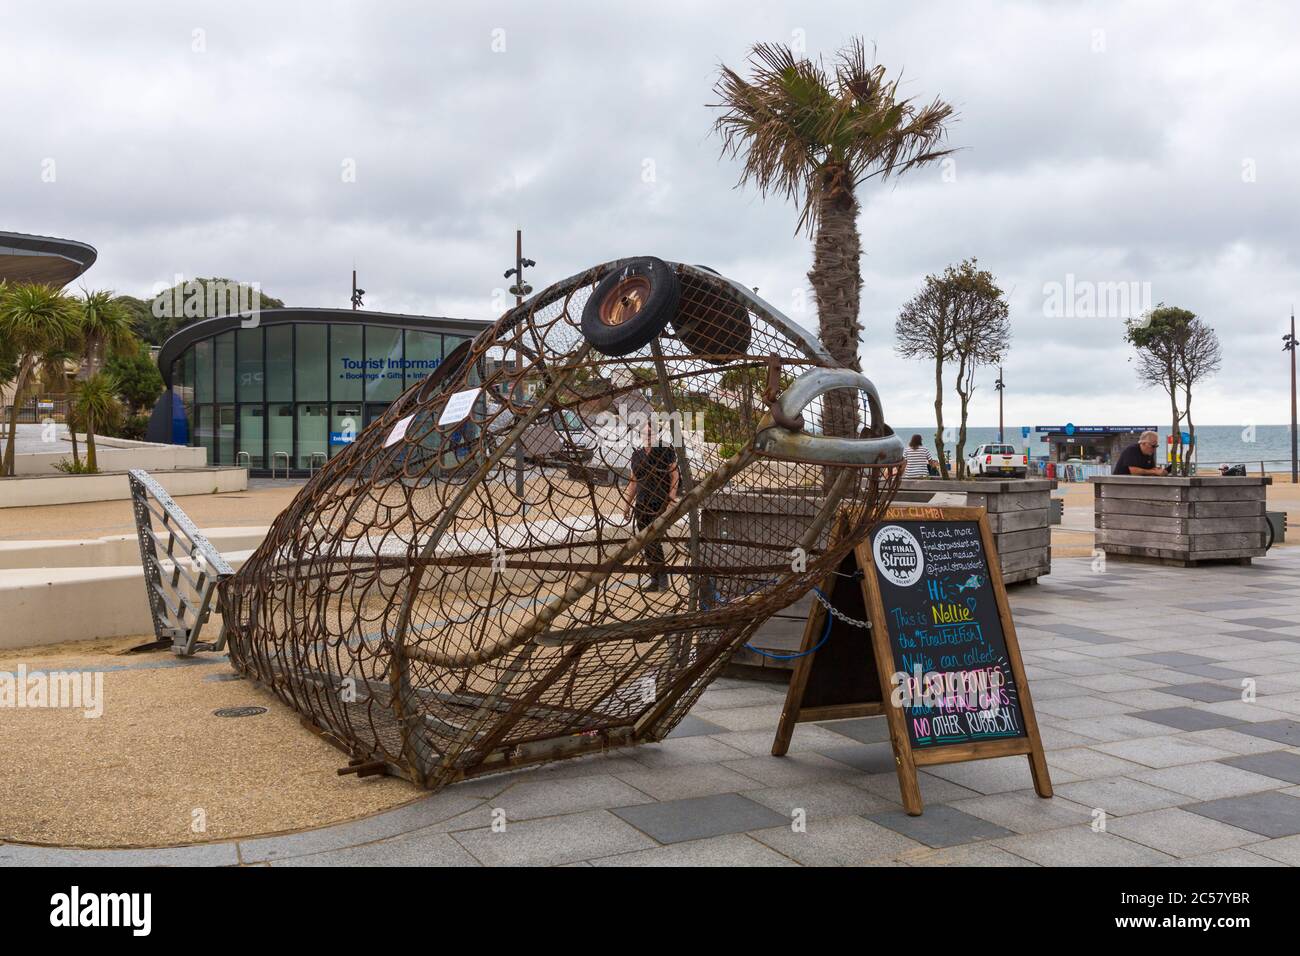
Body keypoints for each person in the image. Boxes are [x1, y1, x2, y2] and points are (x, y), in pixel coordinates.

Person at [625, 421, 680, 591]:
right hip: (641, 503)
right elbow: (633, 482)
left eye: (651, 433)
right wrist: (626, 505)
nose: (648, 436)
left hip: (660, 502)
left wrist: (671, 497)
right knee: (644, 542)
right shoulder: (637, 455)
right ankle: (655, 578)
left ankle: (662, 577)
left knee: (654, 539)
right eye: (645, 433)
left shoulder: (665, 450)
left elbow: (674, 474)